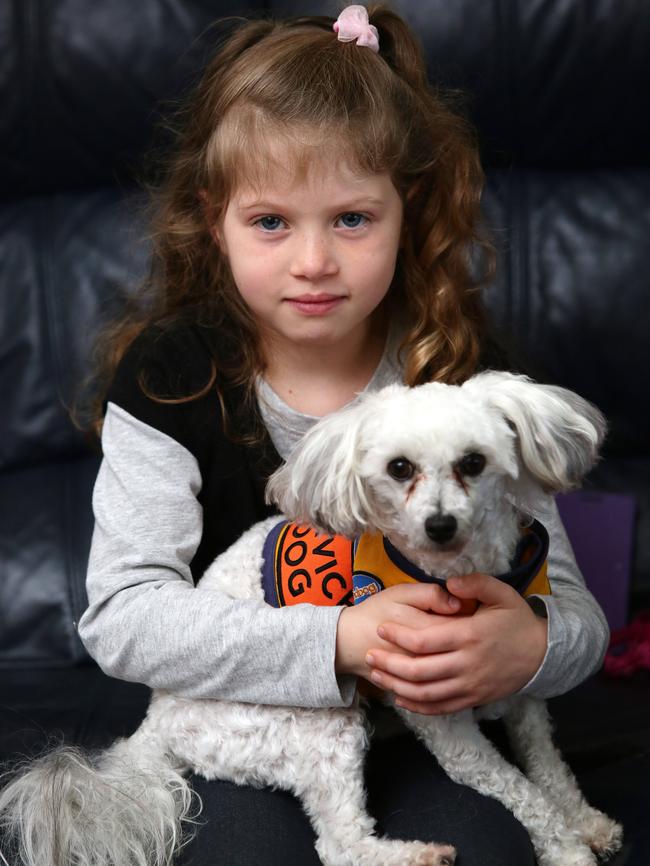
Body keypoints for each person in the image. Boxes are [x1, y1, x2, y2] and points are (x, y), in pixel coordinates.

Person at [76, 5, 609, 864]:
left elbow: (576, 609)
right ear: (215, 220)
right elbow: (121, 618)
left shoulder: (463, 375)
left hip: (429, 727)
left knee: (490, 850)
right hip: (257, 706)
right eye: (272, 222)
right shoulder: (172, 372)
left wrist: (533, 648)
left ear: (409, 211)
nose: (314, 262)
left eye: (352, 220)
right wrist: (343, 642)